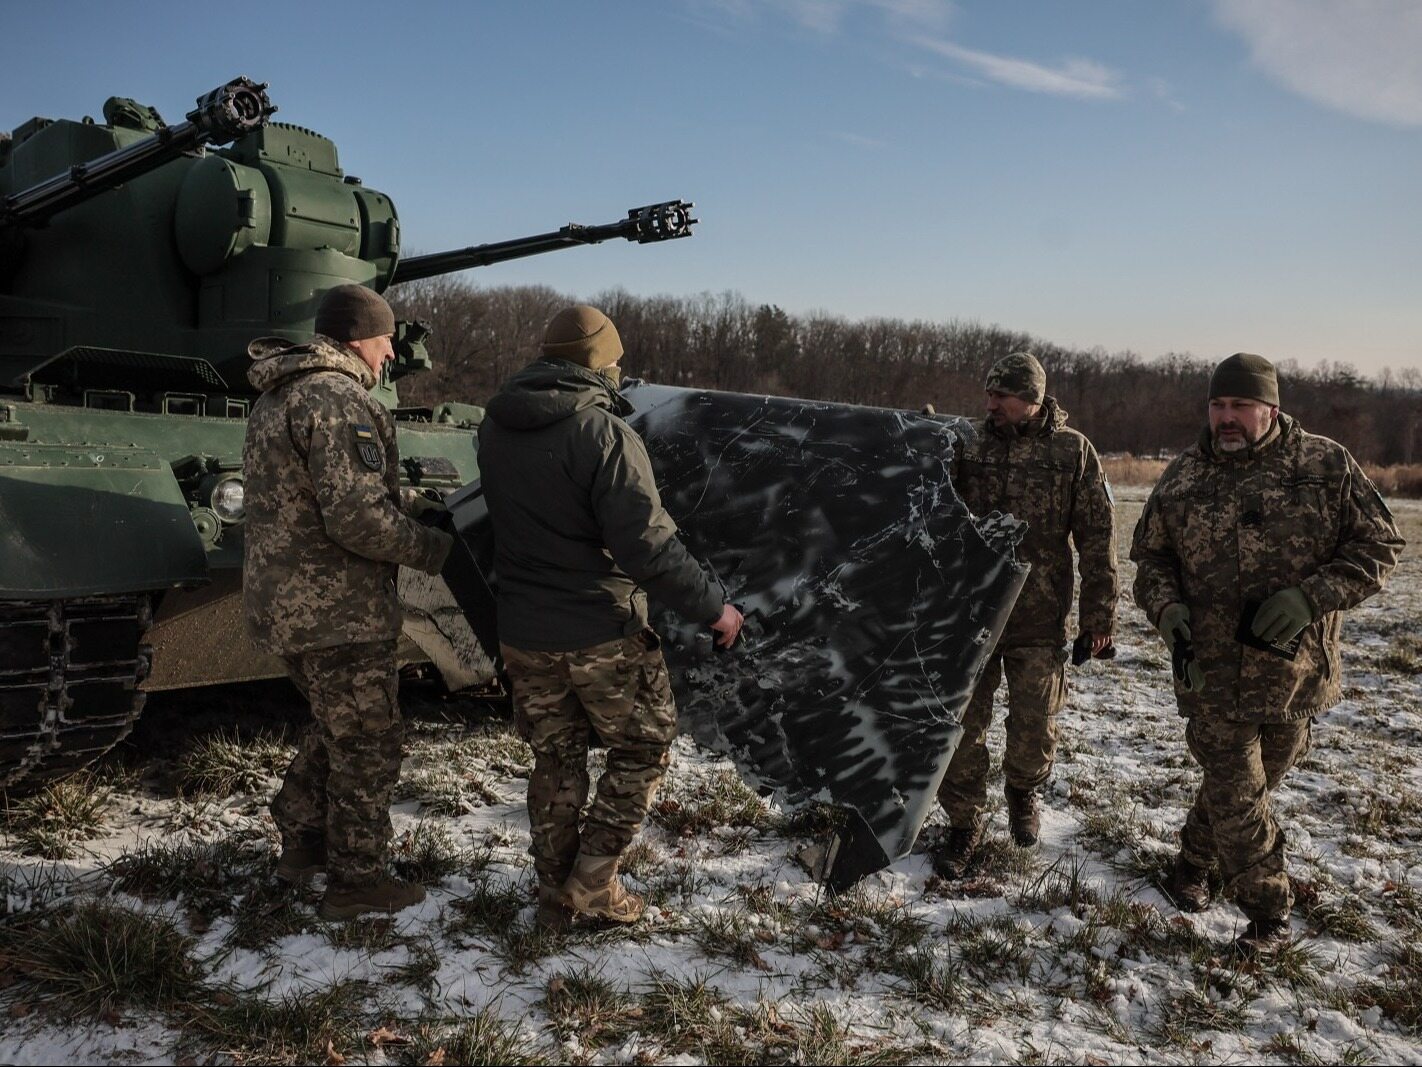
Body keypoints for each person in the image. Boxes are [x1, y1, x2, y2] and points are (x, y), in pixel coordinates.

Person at [477, 304, 743, 930]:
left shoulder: (494, 424)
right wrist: (715, 607)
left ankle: (555, 889)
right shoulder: (602, 433)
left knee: (556, 757)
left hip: (522, 629)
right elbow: (646, 545)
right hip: (600, 630)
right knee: (644, 748)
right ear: (602, 364)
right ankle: (593, 882)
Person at [1131, 352, 1403, 953]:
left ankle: (1191, 866)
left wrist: (1313, 598)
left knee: (1248, 788)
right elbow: (1150, 560)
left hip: (1294, 675)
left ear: (1271, 409)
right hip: (1207, 672)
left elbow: (1380, 545)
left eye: (1240, 406)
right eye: (1218, 405)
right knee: (1238, 790)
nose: (1227, 418)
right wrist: (1165, 608)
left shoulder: (1323, 466)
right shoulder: (1182, 478)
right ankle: (1269, 916)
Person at [243, 284, 453, 921]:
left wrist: (414, 507)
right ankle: (359, 882)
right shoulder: (338, 399)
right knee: (369, 742)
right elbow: (357, 520)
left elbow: (321, 495)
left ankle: (303, 838)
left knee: (337, 725)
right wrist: (435, 551)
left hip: (288, 604)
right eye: (386, 338)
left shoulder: (278, 395)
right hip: (338, 609)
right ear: (359, 336)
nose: (391, 352)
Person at [935, 352, 1117, 877]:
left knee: (1035, 721)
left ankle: (1023, 792)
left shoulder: (1073, 452)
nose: (989, 404)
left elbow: (1097, 538)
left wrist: (1099, 617)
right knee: (963, 726)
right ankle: (963, 822)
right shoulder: (966, 443)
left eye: (1001, 396)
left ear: (1031, 400)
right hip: (973, 615)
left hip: (1040, 616)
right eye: (988, 394)